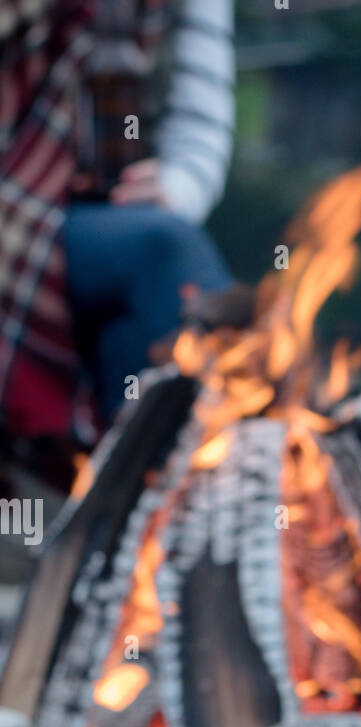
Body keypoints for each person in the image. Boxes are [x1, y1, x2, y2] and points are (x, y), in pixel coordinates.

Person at [0, 0, 235, 461]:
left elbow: (201, 121)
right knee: (162, 252)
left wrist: (177, 185)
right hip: (14, 188)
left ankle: (150, 504)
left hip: (94, 209)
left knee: (142, 333)